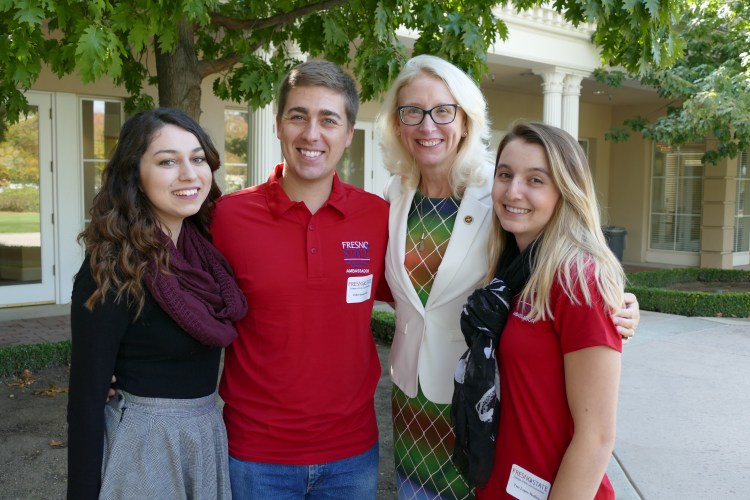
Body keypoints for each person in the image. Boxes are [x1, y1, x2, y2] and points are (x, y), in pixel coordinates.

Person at [375, 54, 639, 499]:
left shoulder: (494, 195)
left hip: (479, 415)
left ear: (464, 121)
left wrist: (622, 308)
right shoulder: (395, 196)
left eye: (443, 110)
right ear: (398, 124)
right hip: (411, 409)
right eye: (412, 111)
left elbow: (563, 263)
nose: (427, 125)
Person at [210, 60, 391, 498]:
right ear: (278, 126)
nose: (312, 134)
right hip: (255, 456)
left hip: (352, 454)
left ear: (349, 133)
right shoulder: (228, 217)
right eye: (298, 116)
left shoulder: (378, 218)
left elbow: (428, 302)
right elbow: (178, 294)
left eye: (329, 119)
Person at [67, 108, 247, 499]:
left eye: (197, 159)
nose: (189, 174)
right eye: (168, 161)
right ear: (135, 174)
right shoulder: (113, 266)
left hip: (204, 432)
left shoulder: (206, 256)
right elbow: (85, 400)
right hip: (144, 444)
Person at [476, 122, 624, 499]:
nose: (513, 191)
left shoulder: (580, 280)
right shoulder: (509, 269)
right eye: (505, 174)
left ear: (566, 191)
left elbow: (597, 438)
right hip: (499, 482)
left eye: (536, 180)